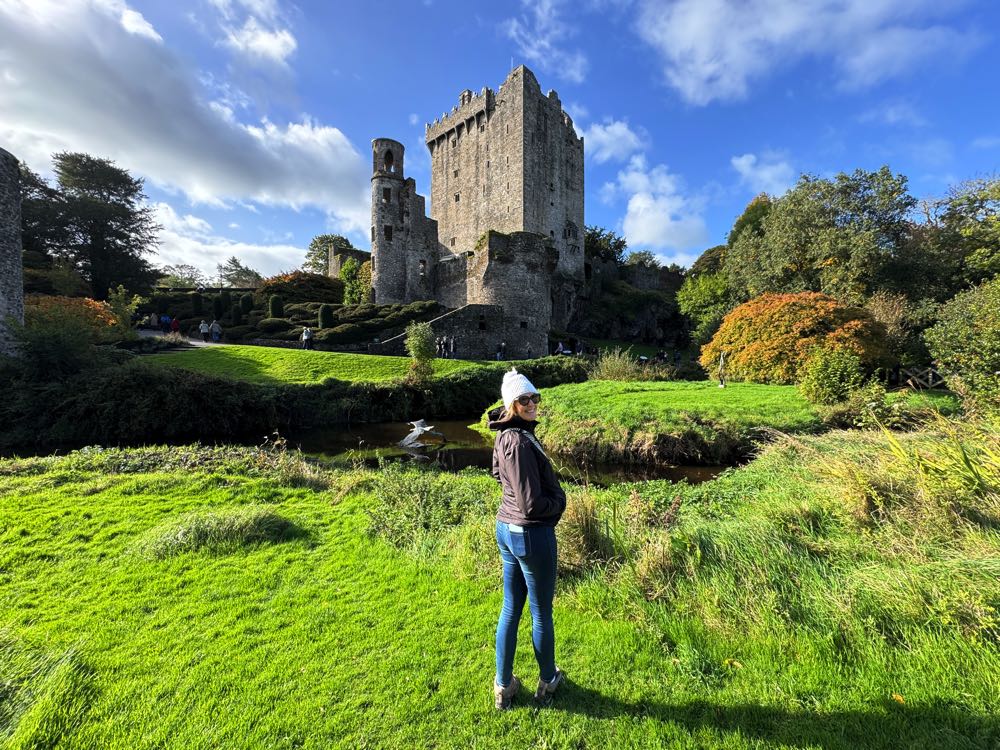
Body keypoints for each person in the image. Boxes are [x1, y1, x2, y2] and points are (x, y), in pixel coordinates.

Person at [488, 368, 567, 710]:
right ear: (511, 404)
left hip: (507, 528)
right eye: (524, 399)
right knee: (540, 612)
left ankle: (504, 685)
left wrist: (515, 498)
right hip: (530, 534)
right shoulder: (519, 441)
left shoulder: (505, 434)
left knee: (510, 608)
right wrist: (559, 502)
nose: (532, 403)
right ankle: (548, 680)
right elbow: (532, 504)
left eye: (535, 397)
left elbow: (496, 473)